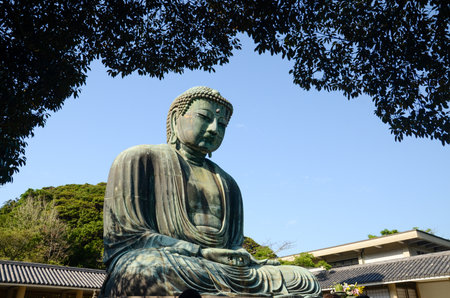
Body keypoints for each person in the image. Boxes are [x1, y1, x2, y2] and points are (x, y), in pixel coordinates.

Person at [100, 86, 322, 297]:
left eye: (222, 124)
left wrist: (241, 257)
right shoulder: (138, 159)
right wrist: (199, 252)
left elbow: (233, 245)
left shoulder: (228, 182)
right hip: (169, 261)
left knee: (302, 279)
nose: (215, 128)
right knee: (145, 271)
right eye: (205, 118)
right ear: (177, 117)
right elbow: (125, 238)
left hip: (218, 268)